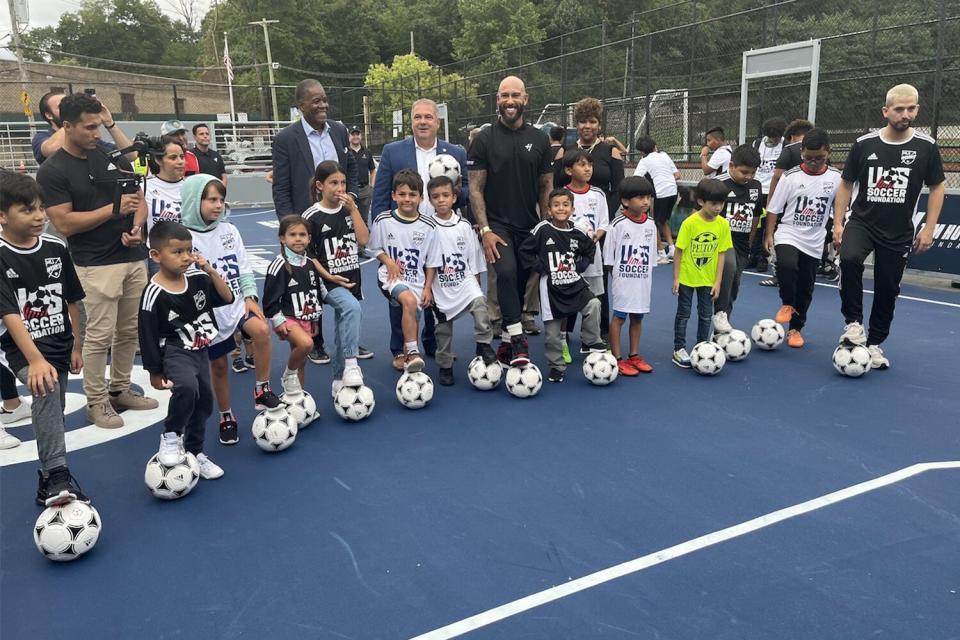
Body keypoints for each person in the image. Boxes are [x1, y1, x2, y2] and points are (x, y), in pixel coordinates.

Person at [36, 92, 158, 429]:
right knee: (99, 336)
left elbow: (138, 198)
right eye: (88, 127)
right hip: (94, 263)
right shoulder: (52, 171)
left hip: (131, 256)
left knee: (129, 331)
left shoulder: (106, 154)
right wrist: (113, 211)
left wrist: (137, 229)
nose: (95, 133)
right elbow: (63, 223)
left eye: (98, 126)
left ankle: (120, 389)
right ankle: (97, 401)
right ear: (67, 126)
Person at [834, 83, 945, 369]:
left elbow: (937, 188)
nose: (905, 114)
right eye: (899, 109)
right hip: (862, 221)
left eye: (911, 108)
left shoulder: (927, 147)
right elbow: (845, 184)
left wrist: (930, 228)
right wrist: (838, 222)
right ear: (886, 111)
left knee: (887, 288)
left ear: (917, 109)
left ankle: (875, 344)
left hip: (898, 230)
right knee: (849, 259)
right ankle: (854, 324)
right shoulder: (864, 144)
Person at [0, 172, 88, 503]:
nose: (39, 216)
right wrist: (36, 360)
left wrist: (77, 344)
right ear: (2, 216)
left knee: (53, 407)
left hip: (60, 344)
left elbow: (72, 299)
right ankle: (57, 475)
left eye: (41, 208)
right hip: (23, 349)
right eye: (27, 210)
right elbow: (8, 313)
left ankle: (45, 478)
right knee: (46, 388)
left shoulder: (55, 246)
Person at [178, 174, 279, 446]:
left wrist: (250, 296)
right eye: (211, 199)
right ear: (193, 200)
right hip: (208, 313)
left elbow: (243, 267)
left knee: (261, 329)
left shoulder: (229, 230)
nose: (218, 205)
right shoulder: (183, 237)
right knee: (220, 367)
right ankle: (226, 416)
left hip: (235, 303)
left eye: (221, 200)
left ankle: (262, 388)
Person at [468, 75, 554, 367]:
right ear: (497, 100)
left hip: (529, 226)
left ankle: (505, 343)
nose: (509, 101)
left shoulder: (541, 140)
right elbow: (476, 189)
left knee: (518, 283)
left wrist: (547, 228)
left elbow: (546, 187)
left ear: (525, 99)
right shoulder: (484, 138)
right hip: (497, 225)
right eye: (504, 95)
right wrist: (486, 230)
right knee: (505, 271)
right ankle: (518, 340)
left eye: (515, 95)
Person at [139, 221, 233, 479]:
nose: (185, 258)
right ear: (156, 256)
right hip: (175, 350)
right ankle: (170, 436)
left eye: (189, 250)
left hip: (200, 350)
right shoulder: (153, 293)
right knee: (187, 388)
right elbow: (146, 334)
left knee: (204, 402)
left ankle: (194, 452)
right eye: (177, 252)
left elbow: (227, 298)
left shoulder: (198, 278)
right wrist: (154, 371)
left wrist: (210, 270)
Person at [763, 128, 841, 348]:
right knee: (787, 266)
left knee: (806, 286)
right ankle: (787, 303)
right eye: (809, 157)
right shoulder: (790, 177)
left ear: (829, 153)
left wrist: (838, 229)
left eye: (820, 158)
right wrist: (769, 234)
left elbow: (839, 209)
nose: (814, 162)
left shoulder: (836, 178)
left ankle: (796, 329)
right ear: (801, 153)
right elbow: (774, 208)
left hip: (815, 239)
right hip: (789, 232)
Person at [519, 188, 605, 384]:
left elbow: (590, 248)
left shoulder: (577, 231)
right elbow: (525, 250)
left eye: (565, 205)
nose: (561, 208)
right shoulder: (543, 229)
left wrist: (581, 265)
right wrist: (539, 267)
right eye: (556, 205)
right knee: (552, 334)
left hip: (574, 283)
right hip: (551, 288)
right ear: (549, 210)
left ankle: (591, 340)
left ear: (572, 209)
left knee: (593, 304)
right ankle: (556, 366)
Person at [301, 161, 368, 398]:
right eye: (333, 183)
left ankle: (338, 378)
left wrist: (354, 210)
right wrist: (327, 275)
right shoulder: (312, 215)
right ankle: (351, 364)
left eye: (342, 182)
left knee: (343, 328)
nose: (339, 188)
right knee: (351, 309)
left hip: (351, 275)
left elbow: (363, 240)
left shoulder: (349, 209)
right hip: (328, 279)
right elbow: (306, 254)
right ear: (320, 186)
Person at [422, 175, 496, 386]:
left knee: (480, 304)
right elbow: (426, 261)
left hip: (464, 281)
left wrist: (475, 285)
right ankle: (445, 365)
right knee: (443, 329)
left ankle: (483, 344)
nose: (441, 200)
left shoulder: (464, 225)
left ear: (454, 197)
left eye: (446, 195)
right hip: (441, 285)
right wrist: (428, 288)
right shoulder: (427, 226)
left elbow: (474, 257)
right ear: (430, 200)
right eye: (436, 197)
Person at [368, 169, 436, 373]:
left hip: (417, 279)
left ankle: (403, 352)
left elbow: (431, 261)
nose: (407, 199)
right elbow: (372, 248)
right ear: (393, 195)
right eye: (402, 194)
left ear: (421, 198)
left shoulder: (428, 226)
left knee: (410, 312)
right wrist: (387, 261)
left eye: (412, 194)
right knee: (407, 301)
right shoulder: (383, 220)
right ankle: (413, 352)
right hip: (390, 277)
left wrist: (428, 287)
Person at [272, 79, 358, 220]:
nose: (323, 105)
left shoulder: (339, 130)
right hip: (306, 220)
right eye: (317, 101)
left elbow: (351, 167)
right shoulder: (285, 139)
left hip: (341, 216)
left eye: (325, 100)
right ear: (302, 106)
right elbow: (281, 188)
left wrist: (352, 195)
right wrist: (289, 225)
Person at [262, 215, 328, 394]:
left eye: (302, 234)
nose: (298, 238)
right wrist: (278, 321)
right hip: (287, 318)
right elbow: (269, 300)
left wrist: (314, 319)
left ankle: (297, 398)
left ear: (309, 238)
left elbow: (314, 294)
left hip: (305, 318)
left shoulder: (310, 264)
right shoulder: (280, 265)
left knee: (301, 361)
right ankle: (287, 375)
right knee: (306, 345)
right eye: (292, 234)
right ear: (282, 238)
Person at [672, 179, 732, 368]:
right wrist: (676, 278)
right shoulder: (690, 223)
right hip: (687, 278)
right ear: (700, 202)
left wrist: (718, 282)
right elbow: (678, 251)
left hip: (708, 280)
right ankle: (679, 348)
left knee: (706, 315)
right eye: (713, 203)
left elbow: (722, 254)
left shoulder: (723, 224)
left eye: (721, 203)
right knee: (684, 314)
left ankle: (701, 347)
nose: (718, 208)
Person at [604, 176, 659, 376]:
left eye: (648, 197)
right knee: (619, 318)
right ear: (626, 201)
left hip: (643, 282)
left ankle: (633, 355)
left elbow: (651, 257)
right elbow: (609, 259)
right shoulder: (617, 225)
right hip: (623, 281)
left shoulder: (651, 224)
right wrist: (620, 279)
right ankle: (617, 358)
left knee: (638, 318)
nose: (646, 202)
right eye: (640, 198)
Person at [560, 148, 608, 362]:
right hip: (568, 259)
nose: (587, 168)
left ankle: (590, 340)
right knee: (565, 296)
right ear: (569, 170)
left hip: (593, 256)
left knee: (594, 298)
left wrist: (595, 237)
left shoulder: (598, 194)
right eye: (582, 164)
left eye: (589, 164)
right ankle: (561, 339)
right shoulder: (562, 195)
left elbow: (603, 223)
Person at [713, 144, 762, 334]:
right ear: (731, 165)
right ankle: (719, 313)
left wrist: (750, 240)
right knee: (729, 269)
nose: (749, 176)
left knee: (734, 284)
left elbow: (756, 214)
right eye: (744, 172)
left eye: (753, 172)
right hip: (721, 242)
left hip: (742, 244)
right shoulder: (719, 184)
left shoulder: (756, 186)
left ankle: (721, 328)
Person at [759, 118, 815, 287]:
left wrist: (771, 203)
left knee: (780, 236)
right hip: (811, 202)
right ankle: (803, 274)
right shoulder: (818, 151)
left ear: (790, 137)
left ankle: (779, 274)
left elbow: (777, 177)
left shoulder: (789, 150)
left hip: (789, 203)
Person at [32, 90, 135, 165]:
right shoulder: (42, 137)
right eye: (61, 106)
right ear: (49, 115)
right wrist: (73, 114)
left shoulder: (88, 138)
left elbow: (130, 155)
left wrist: (109, 123)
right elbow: (50, 150)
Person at [747, 116, 786, 272]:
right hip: (758, 190)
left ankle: (764, 257)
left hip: (775, 192)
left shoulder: (786, 146)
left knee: (769, 227)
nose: (774, 140)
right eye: (772, 137)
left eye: (777, 137)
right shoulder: (757, 144)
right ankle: (753, 256)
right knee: (755, 225)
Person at [634, 136, 680, 264]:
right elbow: (677, 175)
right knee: (662, 221)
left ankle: (660, 253)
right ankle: (672, 249)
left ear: (642, 152)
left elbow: (636, 178)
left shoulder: (644, 161)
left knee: (654, 222)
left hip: (662, 193)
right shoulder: (664, 155)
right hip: (673, 191)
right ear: (655, 146)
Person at [144, 135, 186, 236]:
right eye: (173, 158)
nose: (180, 162)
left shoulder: (192, 187)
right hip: (154, 249)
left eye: (182, 157)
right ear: (158, 160)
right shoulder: (144, 187)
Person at [348, 126, 377, 222]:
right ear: (349, 136)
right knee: (350, 219)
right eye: (353, 134)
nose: (355, 136)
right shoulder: (346, 152)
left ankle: (364, 237)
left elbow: (373, 170)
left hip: (365, 190)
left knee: (364, 219)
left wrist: (371, 187)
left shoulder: (367, 152)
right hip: (350, 190)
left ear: (361, 136)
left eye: (357, 134)